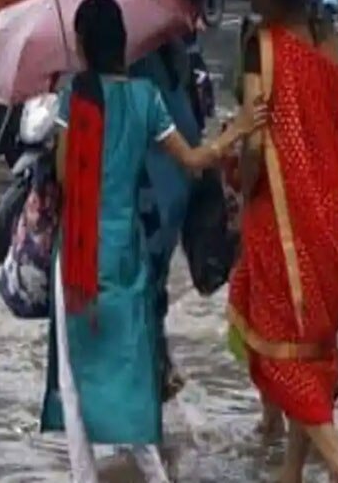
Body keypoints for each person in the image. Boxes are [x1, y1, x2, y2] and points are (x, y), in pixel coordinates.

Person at [41, 0, 265, 483]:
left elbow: (62, 175)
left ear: (81, 43)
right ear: (122, 43)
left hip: (79, 250)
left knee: (75, 373)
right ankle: (152, 469)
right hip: (126, 253)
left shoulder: (74, 98)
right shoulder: (147, 98)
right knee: (131, 363)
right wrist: (236, 132)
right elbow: (193, 160)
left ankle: (84, 475)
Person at [228, 0, 338, 483]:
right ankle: (291, 472)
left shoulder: (260, 46)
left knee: (282, 354)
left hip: (286, 218)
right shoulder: (333, 40)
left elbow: (258, 146)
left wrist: (238, 170)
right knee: (313, 347)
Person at [129, 38, 204, 401]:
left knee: (141, 288)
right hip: (170, 189)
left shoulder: (139, 76)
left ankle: (153, 376)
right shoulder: (172, 51)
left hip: (152, 190)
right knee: (151, 285)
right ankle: (159, 366)